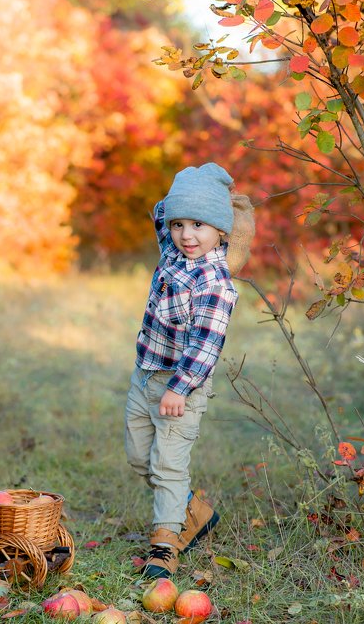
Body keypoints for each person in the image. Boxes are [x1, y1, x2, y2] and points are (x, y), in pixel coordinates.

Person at [124, 162, 251, 579]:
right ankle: (193, 511)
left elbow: (205, 347)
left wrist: (178, 389)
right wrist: (196, 188)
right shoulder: (172, 252)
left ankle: (164, 546)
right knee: (139, 458)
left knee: (168, 467)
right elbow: (162, 210)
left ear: (220, 230)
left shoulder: (217, 284)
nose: (186, 234)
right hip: (145, 378)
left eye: (199, 224)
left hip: (181, 388)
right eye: (179, 224)